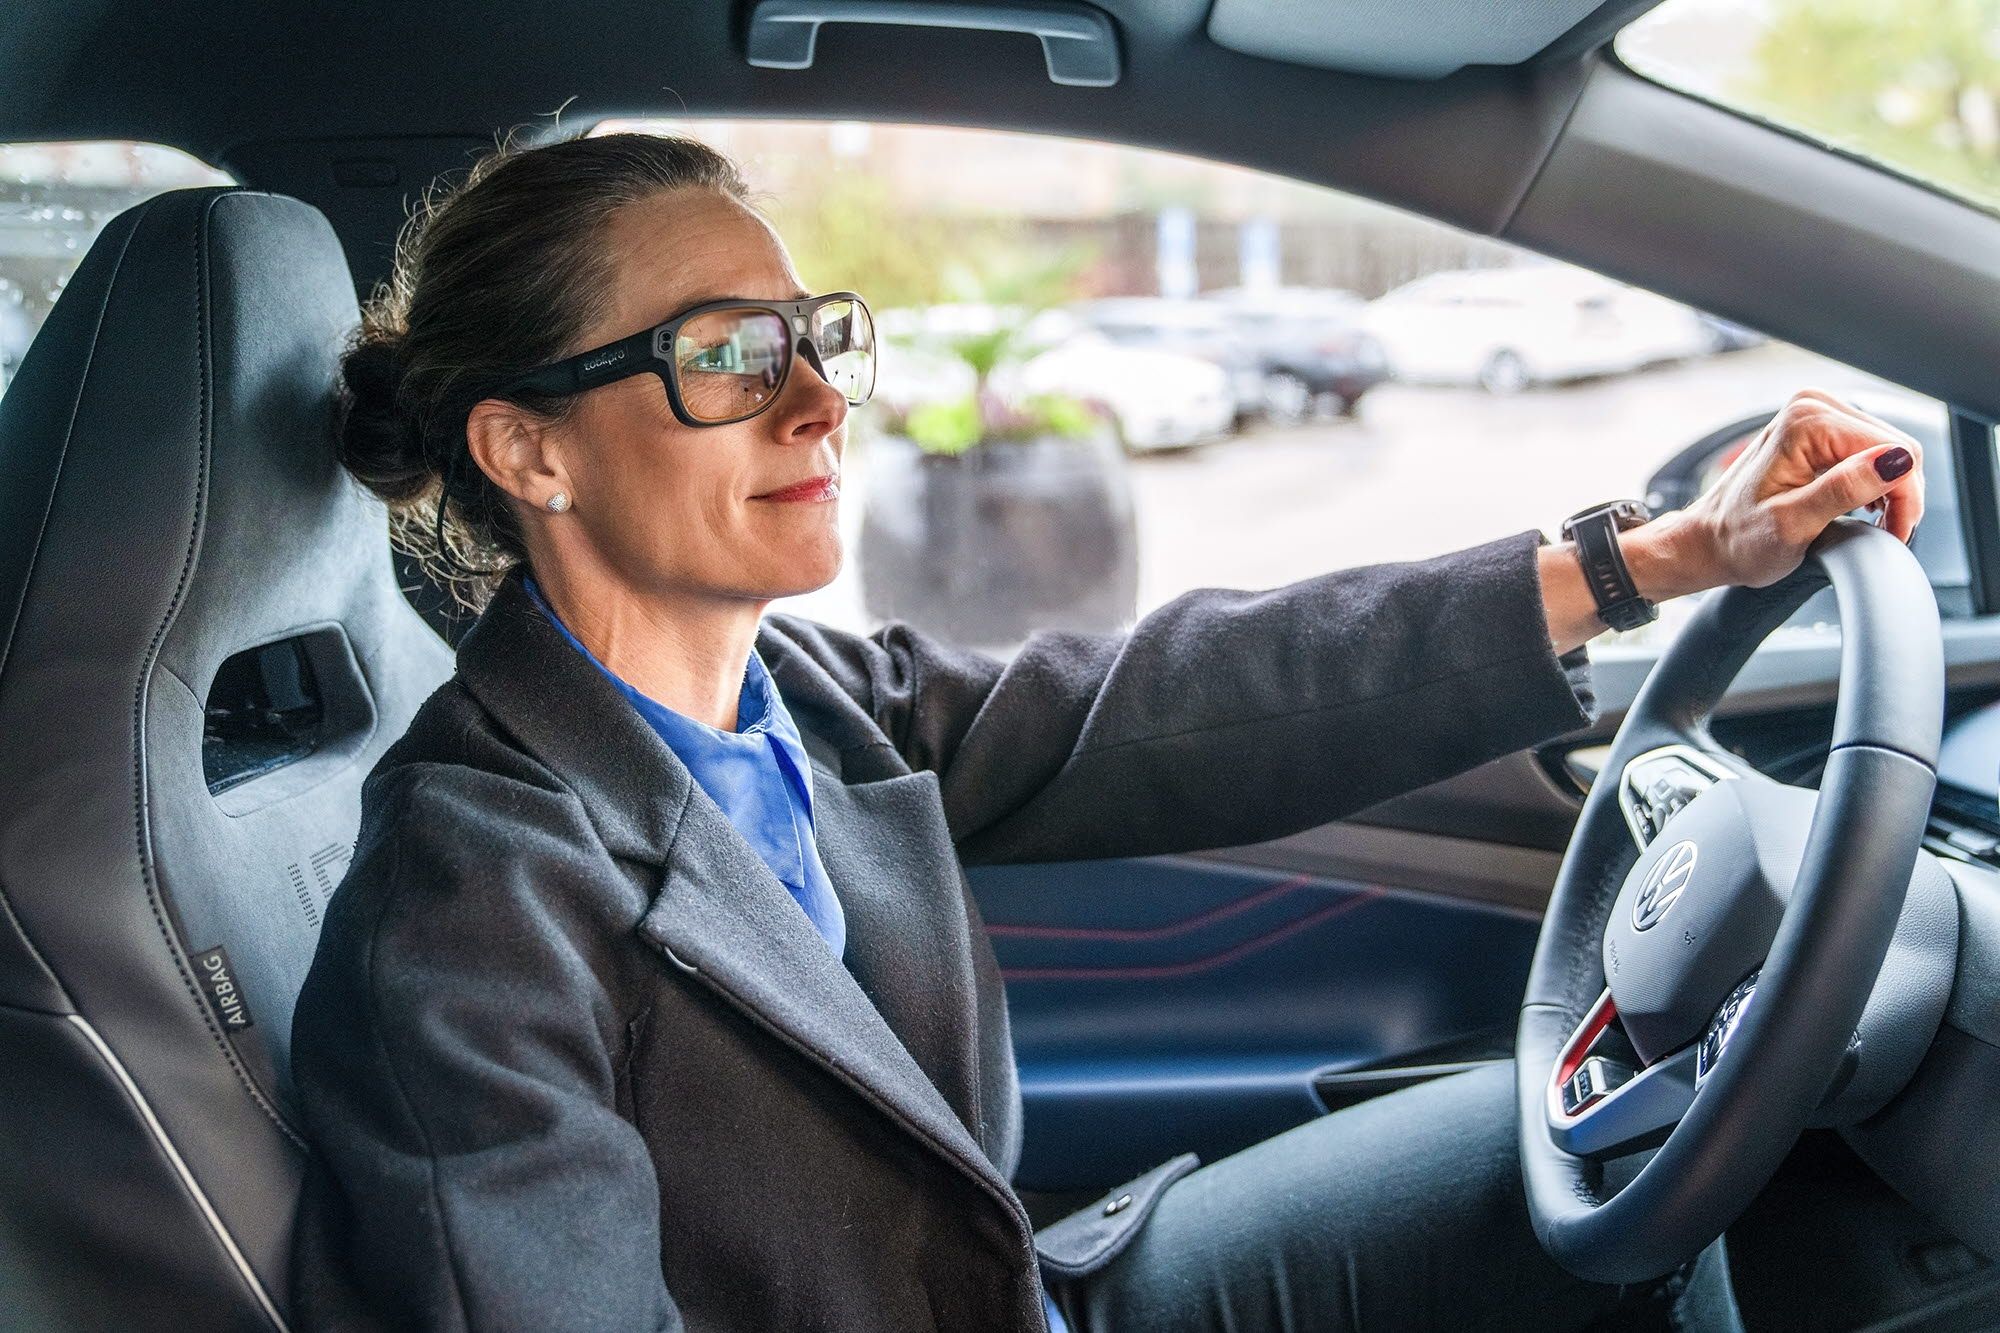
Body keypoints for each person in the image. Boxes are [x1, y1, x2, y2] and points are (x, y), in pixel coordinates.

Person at [288, 130, 1926, 1332]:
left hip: (1038, 1295)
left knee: (1629, 1153)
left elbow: (1183, 693)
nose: (817, 401)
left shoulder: (805, 695)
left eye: (812, 336)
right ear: (530, 451)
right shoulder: (469, 897)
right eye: (725, 356)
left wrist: (1658, 554)